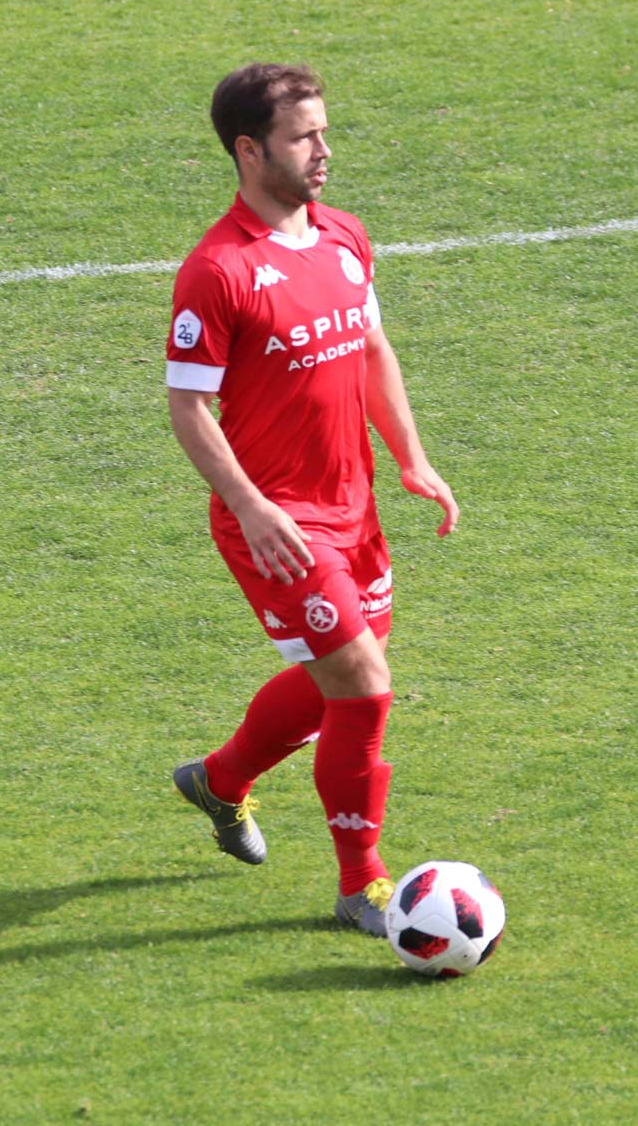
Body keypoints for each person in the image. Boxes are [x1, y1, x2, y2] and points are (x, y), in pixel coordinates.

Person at [165, 62, 459, 938]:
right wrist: (253, 508)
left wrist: (412, 457)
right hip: (277, 524)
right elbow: (188, 405)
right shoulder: (218, 271)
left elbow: (371, 349)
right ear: (250, 151)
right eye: (304, 137)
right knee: (364, 687)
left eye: (325, 131)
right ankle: (361, 885)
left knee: (337, 678)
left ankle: (218, 780)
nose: (324, 151)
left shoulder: (344, 237)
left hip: (352, 505)